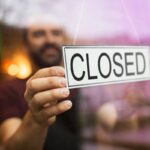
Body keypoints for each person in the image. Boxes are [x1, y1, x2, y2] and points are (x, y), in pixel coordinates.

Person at [0, 20, 80, 150]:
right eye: (38, 34)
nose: (49, 40)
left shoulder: (83, 85)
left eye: (56, 33)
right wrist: (36, 119)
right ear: (25, 46)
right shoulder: (8, 90)